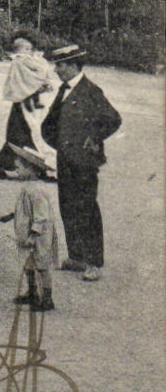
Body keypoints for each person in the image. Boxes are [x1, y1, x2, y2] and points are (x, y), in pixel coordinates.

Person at [39, 43, 121, 282]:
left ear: (74, 66)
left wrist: (92, 139)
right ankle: (77, 257)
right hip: (66, 158)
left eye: (61, 66)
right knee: (68, 206)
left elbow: (114, 119)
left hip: (84, 162)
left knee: (86, 208)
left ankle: (94, 262)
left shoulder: (90, 91)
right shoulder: (64, 89)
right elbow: (52, 122)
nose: (57, 70)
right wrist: (58, 143)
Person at [0, 144, 60, 312]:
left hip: (39, 236)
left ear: (31, 169)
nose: (16, 171)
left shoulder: (37, 191)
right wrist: (11, 216)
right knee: (29, 263)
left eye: (19, 168)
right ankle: (32, 293)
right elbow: (26, 209)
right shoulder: (28, 187)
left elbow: (41, 217)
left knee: (42, 266)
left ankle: (47, 299)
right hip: (28, 234)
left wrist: (33, 236)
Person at [0, 32, 58, 179]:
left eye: (30, 49)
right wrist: (40, 84)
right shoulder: (20, 62)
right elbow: (28, 79)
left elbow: (34, 76)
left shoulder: (25, 61)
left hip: (27, 100)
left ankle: (26, 167)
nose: (29, 52)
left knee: (25, 132)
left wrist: (41, 82)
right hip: (24, 101)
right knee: (21, 132)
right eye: (26, 49)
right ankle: (15, 165)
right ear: (18, 49)